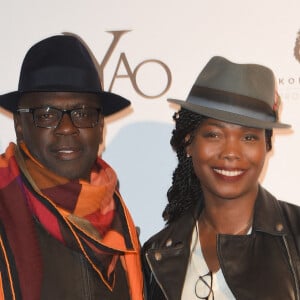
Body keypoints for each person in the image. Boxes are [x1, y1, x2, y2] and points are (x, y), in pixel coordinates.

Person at [142, 56, 300, 299]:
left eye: (248, 137)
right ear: (189, 143)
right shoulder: (157, 253)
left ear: (266, 146)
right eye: (214, 134)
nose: (230, 153)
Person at [0, 34, 144, 300]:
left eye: (83, 113)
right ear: (20, 126)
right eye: (46, 114)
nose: (66, 128)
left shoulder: (116, 213)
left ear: (101, 127)